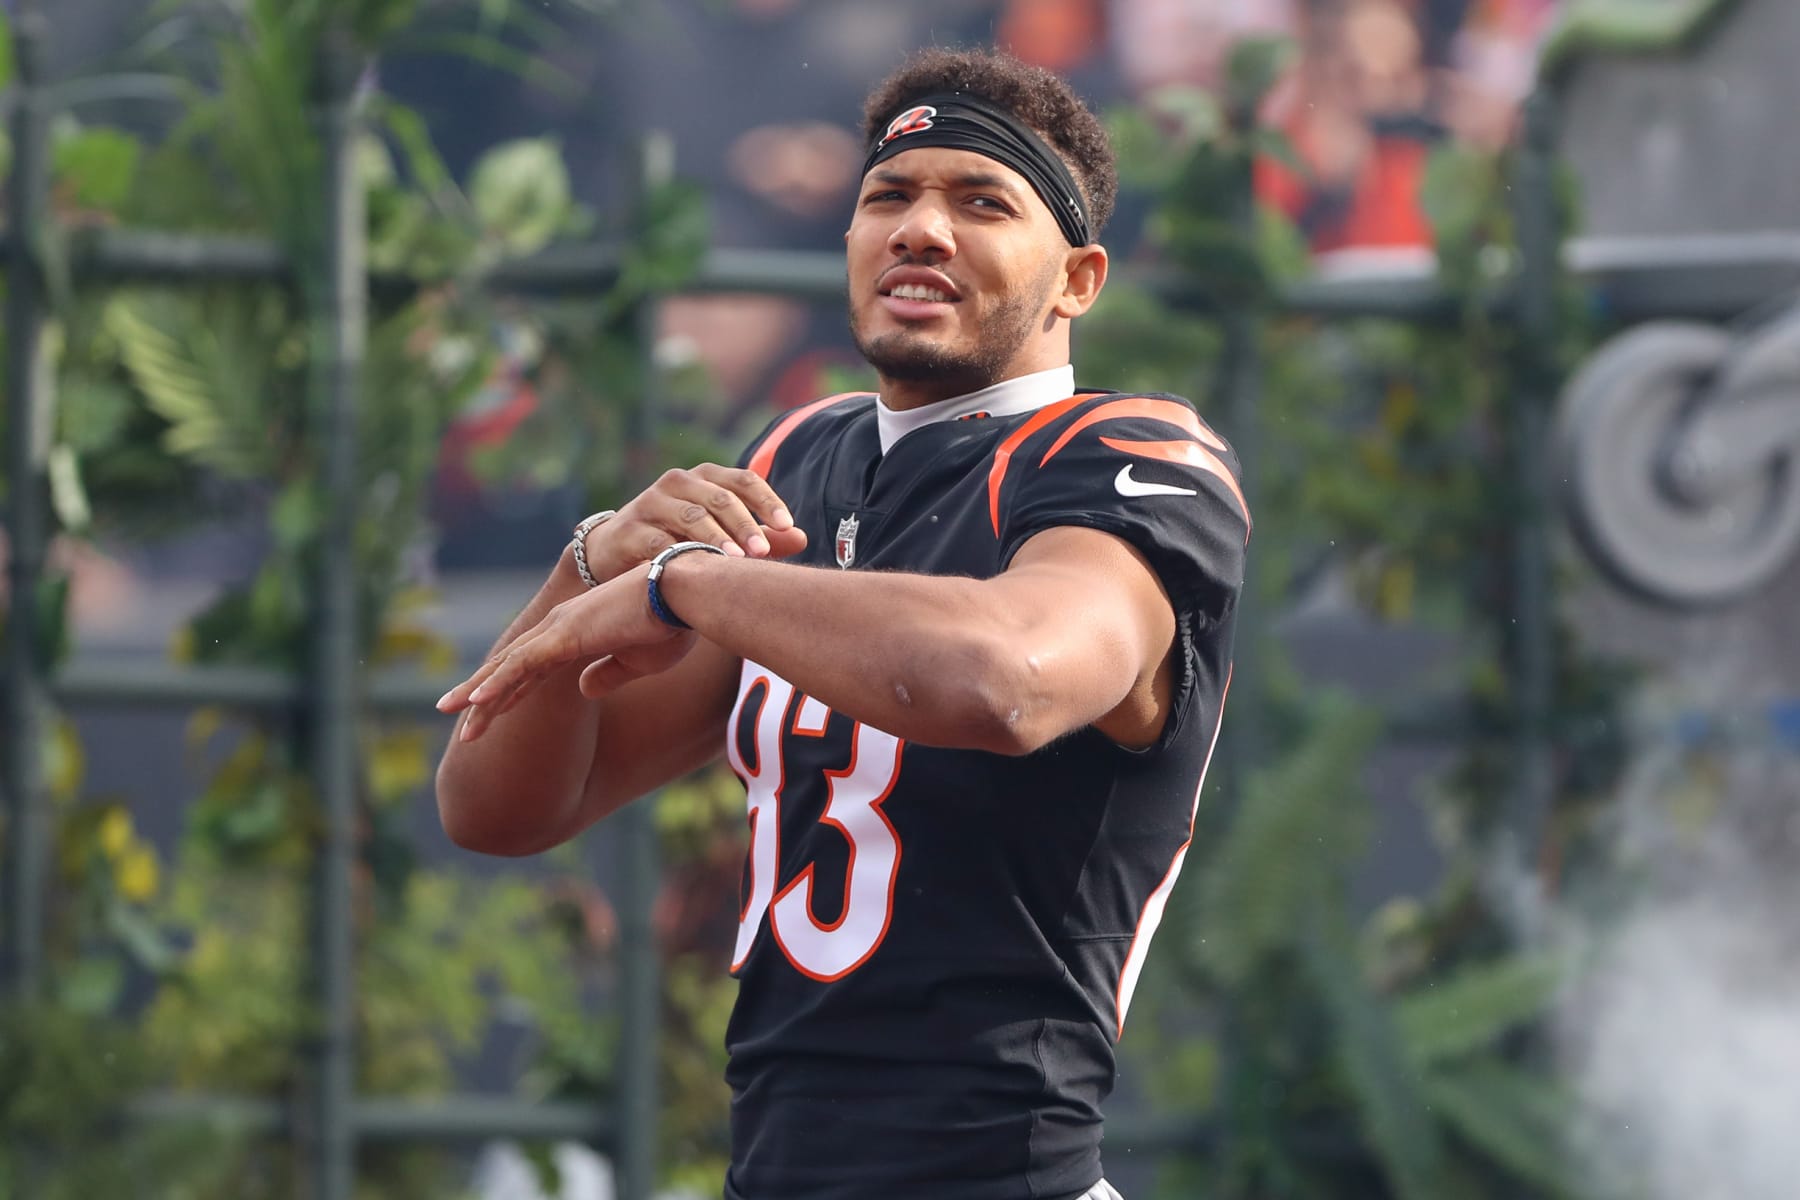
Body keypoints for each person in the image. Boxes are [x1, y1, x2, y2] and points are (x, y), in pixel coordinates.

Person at [436, 46, 1250, 1200]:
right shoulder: (800, 458)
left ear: (1077, 279)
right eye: (889, 196)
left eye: (982, 202)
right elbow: (498, 809)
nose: (922, 230)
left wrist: (683, 585)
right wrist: (588, 566)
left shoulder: (1130, 457)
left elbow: (1005, 680)